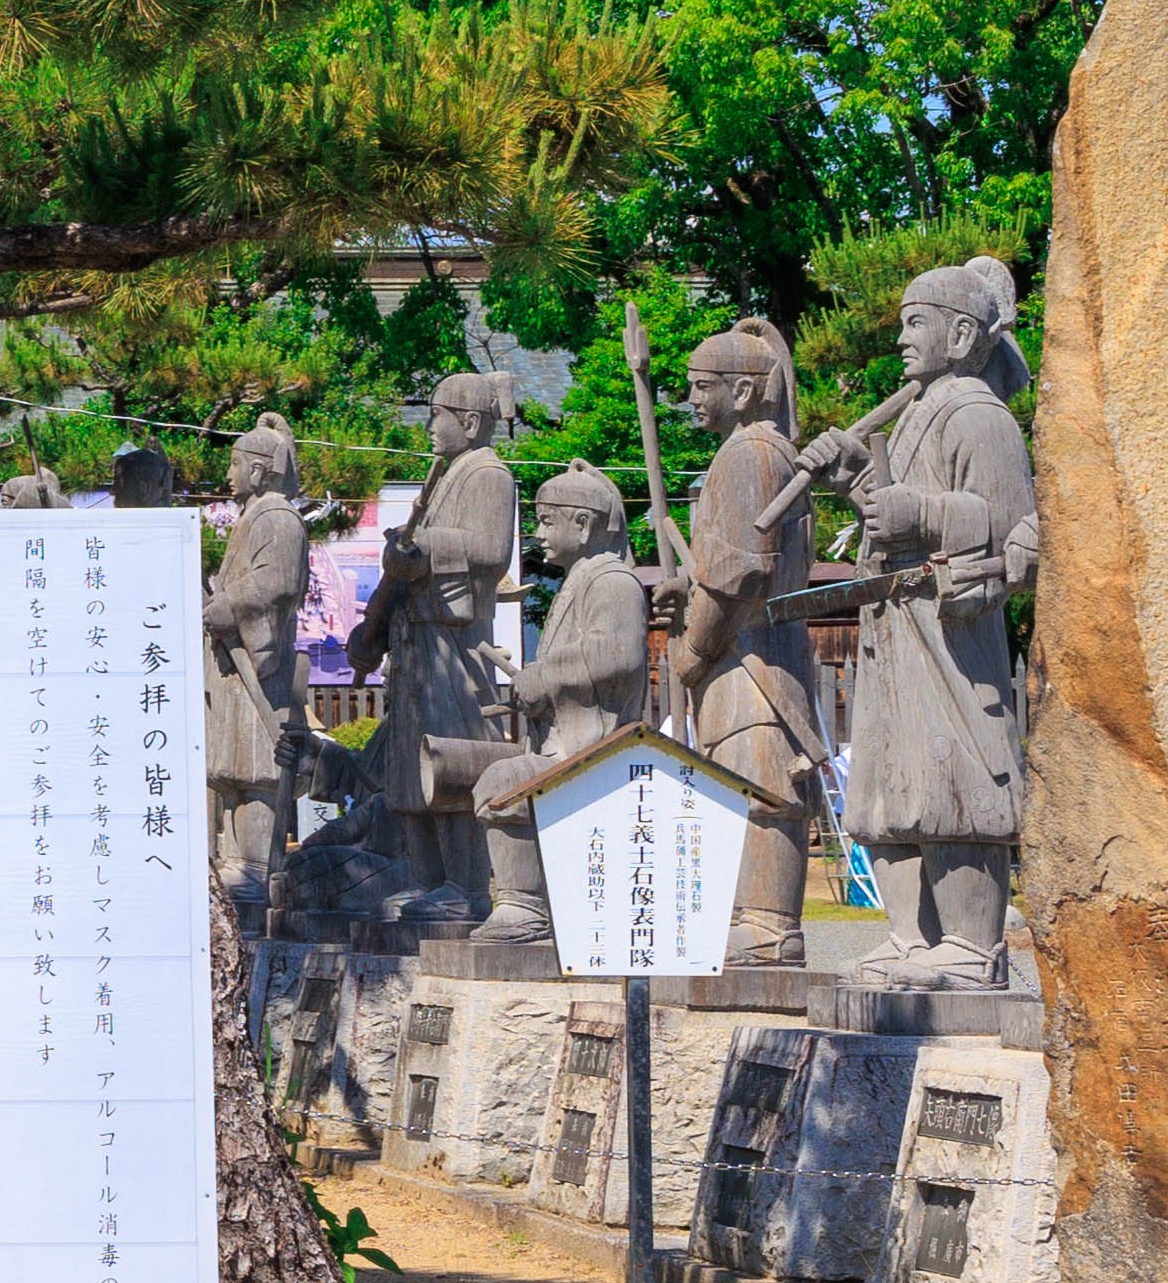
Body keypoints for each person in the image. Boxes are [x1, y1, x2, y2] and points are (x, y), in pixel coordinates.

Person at [820, 259, 1041, 991]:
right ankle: (910, 937)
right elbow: (889, 512)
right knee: (891, 784)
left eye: (916, 323)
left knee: (954, 775)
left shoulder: (980, 416)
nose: (901, 340)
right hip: (895, 627)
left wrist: (924, 513)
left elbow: (1014, 530)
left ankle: (972, 944)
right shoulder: (916, 412)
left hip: (951, 635)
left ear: (962, 332)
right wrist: (855, 478)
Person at [655, 316, 829, 972]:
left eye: (705, 386)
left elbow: (742, 571)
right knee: (737, 777)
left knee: (763, 779)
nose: (693, 398)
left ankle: (769, 922)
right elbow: (718, 569)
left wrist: (695, 646)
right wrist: (686, 588)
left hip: (753, 647)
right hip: (741, 644)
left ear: (748, 389)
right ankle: (746, 914)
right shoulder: (751, 451)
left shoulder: (751, 453)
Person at [347, 371, 522, 936]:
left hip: (456, 644)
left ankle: (466, 887)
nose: (428, 426)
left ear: (469, 422)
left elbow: (492, 552)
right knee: (408, 771)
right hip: (417, 643)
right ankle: (428, 880)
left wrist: (423, 549)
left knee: (448, 762)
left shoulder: (488, 475)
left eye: (436, 414)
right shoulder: (446, 476)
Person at [472, 465, 645, 948]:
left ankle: (524, 908)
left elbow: (618, 653)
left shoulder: (611, 581)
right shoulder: (581, 580)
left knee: (503, 783)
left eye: (549, 521)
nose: (539, 532)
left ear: (584, 525)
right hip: (566, 743)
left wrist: (543, 677)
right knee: (496, 782)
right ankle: (528, 903)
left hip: (598, 747)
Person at [203, 417, 314, 915]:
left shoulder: (278, 517)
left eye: (234, 463)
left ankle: (253, 864)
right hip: (236, 660)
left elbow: (278, 583)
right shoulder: (255, 515)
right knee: (232, 766)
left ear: (259, 469)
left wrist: (231, 606)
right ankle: (234, 857)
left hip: (261, 664)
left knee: (256, 767)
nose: (228, 472)